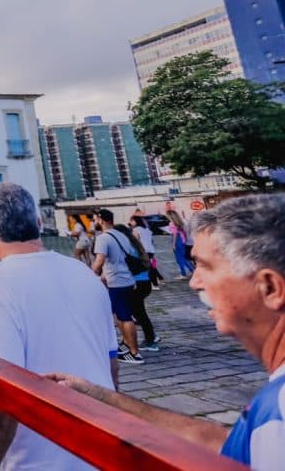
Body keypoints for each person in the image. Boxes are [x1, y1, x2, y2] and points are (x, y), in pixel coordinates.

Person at [49, 194, 285, 468]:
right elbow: (229, 444)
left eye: (205, 266)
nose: (195, 282)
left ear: (269, 288)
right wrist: (104, 399)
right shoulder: (270, 420)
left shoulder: (278, 409)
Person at [0, 183, 118, 471]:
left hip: (37, 458)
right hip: (100, 448)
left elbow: (2, 392)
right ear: (39, 223)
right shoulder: (86, 275)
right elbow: (111, 366)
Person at [92, 209, 146, 365]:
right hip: (126, 279)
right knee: (118, 314)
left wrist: (91, 274)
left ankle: (134, 353)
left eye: (95, 219)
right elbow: (118, 260)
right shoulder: (121, 235)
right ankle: (127, 344)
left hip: (117, 282)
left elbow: (100, 261)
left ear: (101, 220)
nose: (94, 222)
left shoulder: (103, 238)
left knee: (124, 317)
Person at [113, 223, 161, 352]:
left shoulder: (127, 246)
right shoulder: (136, 244)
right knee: (139, 312)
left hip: (136, 283)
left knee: (137, 313)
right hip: (144, 282)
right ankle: (151, 337)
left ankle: (150, 340)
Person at [129, 214, 164, 289]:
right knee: (151, 267)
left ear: (136, 221)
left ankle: (154, 284)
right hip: (151, 250)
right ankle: (156, 281)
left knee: (148, 268)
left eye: (132, 220)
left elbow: (136, 242)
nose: (130, 222)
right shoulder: (147, 229)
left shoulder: (136, 230)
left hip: (143, 251)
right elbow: (152, 240)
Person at [168, 209, 194, 278]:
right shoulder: (180, 222)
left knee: (179, 258)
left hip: (177, 241)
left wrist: (173, 244)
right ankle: (190, 271)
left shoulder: (171, 223)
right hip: (182, 240)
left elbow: (175, 234)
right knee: (184, 257)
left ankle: (184, 273)